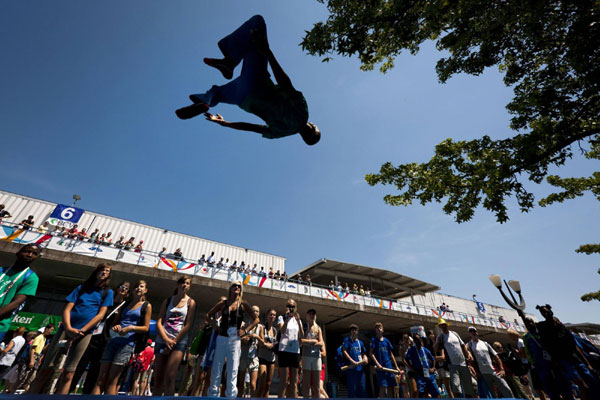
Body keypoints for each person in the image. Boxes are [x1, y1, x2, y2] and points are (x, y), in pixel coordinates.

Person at [176, 15, 321, 146]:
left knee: (257, 24)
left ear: (313, 127)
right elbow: (251, 128)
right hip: (243, 99)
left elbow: (285, 84)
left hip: (258, 82)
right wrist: (225, 123)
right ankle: (206, 102)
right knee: (217, 92)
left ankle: (229, 62)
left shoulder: (303, 114)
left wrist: (268, 53)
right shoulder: (283, 132)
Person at [29, 263, 113, 394]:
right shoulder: (82, 288)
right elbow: (67, 309)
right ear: (96, 272)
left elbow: (101, 315)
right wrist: (68, 328)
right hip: (65, 329)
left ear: (109, 275)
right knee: (46, 368)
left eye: (107, 271)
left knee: (69, 372)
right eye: (101, 270)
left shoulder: (108, 292)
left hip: (85, 333)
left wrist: (83, 330)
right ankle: (30, 395)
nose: (104, 272)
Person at [71, 281, 130, 394]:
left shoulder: (123, 307)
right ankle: (69, 391)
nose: (123, 289)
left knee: (95, 371)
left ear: (127, 292)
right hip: (93, 337)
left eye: (126, 288)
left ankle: (87, 394)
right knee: (80, 366)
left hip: (106, 341)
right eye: (122, 287)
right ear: (117, 288)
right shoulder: (107, 302)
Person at [93, 280, 151, 395]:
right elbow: (115, 322)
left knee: (112, 381)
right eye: (136, 286)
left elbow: (146, 328)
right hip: (113, 340)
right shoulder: (125, 304)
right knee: (100, 379)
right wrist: (116, 327)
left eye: (141, 286)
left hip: (127, 344)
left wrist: (131, 328)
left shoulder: (146, 306)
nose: (138, 288)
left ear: (145, 290)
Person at [205, 281, 259, 397]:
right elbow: (207, 315)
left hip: (235, 339)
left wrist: (245, 330)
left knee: (233, 369)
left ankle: (231, 396)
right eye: (234, 285)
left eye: (239, 286)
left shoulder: (243, 304)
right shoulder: (223, 303)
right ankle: (213, 395)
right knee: (217, 368)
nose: (237, 287)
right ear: (230, 288)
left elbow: (256, 320)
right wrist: (215, 326)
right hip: (222, 337)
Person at [153, 276, 196, 396]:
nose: (184, 285)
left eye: (187, 283)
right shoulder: (167, 301)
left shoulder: (190, 302)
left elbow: (188, 324)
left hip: (179, 341)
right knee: (158, 379)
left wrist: (174, 341)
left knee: (170, 377)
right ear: (177, 285)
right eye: (182, 282)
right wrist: (166, 339)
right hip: (163, 339)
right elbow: (159, 321)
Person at [0, 244, 40, 342]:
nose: (30, 255)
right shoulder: (1, 270)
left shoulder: (31, 277)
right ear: (18, 253)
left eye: (34, 253)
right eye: (27, 251)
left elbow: (16, 303)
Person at [466, 326, 513, 398]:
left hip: (494, 371)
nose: (473, 332)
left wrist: (502, 369)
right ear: (469, 333)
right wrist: (474, 372)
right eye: (471, 331)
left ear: (477, 332)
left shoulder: (485, 343)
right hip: (483, 374)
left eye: (474, 331)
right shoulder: (469, 345)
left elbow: (496, 356)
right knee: (491, 394)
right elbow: (468, 357)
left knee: (506, 389)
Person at [434, 318, 476, 398]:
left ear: (447, 325)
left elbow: (463, 345)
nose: (443, 326)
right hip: (452, 364)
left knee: (468, 386)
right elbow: (435, 349)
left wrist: (468, 356)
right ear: (440, 327)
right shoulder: (441, 337)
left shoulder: (454, 334)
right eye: (441, 325)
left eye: (444, 325)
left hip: (463, 363)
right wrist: (438, 341)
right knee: (456, 386)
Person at [277, 298, 304, 398]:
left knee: (294, 382)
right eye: (289, 306)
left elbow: (301, 335)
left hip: (295, 351)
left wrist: (298, 322)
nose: (291, 308)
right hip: (284, 350)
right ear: (286, 307)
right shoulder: (282, 317)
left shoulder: (298, 320)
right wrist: (287, 318)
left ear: (296, 308)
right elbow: (282, 331)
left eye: (293, 306)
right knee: (283, 381)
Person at [370, 322, 401, 398]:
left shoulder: (386, 341)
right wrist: (378, 364)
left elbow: (391, 354)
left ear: (383, 330)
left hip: (388, 367)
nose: (379, 329)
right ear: (376, 331)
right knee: (383, 387)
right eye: (377, 328)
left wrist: (396, 366)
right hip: (380, 368)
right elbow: (371, 353)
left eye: (380, 327)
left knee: (390, 387)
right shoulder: (373, 340)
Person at [405, 334, 441, 398]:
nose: (417, 341)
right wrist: (412, 368)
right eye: (415, 340)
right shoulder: (411, 350)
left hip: (427, 371)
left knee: (434, 390)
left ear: (420, 340)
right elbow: (406, 360)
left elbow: (433, 359)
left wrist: (433, 368)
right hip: (419, 372)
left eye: (418, 339)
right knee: (421, 391)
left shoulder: (425, 350)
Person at [238, 305, 262, 397]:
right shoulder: (244, 325)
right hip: (243, 356)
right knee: (240, 384)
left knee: (253, 385)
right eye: (253, 311)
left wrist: (255, 337)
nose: (255, 313)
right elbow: (237, 338)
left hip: (253, 357)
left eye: (257, 311)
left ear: (259, 313)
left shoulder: (260, 327)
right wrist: (243, 339)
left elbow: (262, 343)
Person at [301, 308, 324, 399]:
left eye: (314, 313)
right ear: (307, 315)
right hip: (306, 356)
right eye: (310, 313)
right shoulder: (304, 326)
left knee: (317, 385)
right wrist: (313, 342)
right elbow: (301, 340)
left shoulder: (318, 328)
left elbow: (321, 343)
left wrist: (310, 343)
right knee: (306, 384)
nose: (312, 315)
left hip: (317, 357)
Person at [342, 324, 368, 397]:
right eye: (352, 330)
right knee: (352, 391)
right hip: (351, 370)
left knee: (362, 390)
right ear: (350, 331)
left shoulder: (360, 342)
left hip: (360, 370)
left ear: (357, 332)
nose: (354, 332)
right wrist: (352, 361)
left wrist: (365, 358)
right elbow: (344, 351)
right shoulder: (347, 340)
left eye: (355, 330)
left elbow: (363, 353)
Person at [257, 308, 278, 398]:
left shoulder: (274, 330)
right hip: (262, 358)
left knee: (268, 384)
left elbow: (275, 344)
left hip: (271, 359)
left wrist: (271, 345)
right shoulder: (262, 327)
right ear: (267, 316)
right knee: (262, 383)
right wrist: (268, 345)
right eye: (271, 314)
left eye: (274, 315)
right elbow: (261, 343)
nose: (272, 316)